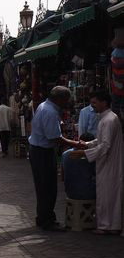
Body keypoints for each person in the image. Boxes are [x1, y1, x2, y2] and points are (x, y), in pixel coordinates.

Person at [69, 91, 124, 235]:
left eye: (94, 103)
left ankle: (107, 225)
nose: (92, 107)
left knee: (108, 194)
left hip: (109, 163)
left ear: (103, 103)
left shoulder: (109, 120)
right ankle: (111, 225)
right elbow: (100, 141)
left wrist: (84, 152)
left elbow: (105, 145)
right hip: (108, 163)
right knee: (109, 193)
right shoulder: (107, 119)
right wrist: (86, 145)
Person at [28, 86, 80, 231]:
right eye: (66, 99)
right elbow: (55, 138)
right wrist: (76, 144)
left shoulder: (45, 107)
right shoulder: (49, 111)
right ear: (59, 99)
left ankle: (44, 218)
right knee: (47, 187)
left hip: (39, 150)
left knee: (44, 186)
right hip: (42, 152)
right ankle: (46, 220)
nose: (67, 102)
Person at [61, 133, 96, 201]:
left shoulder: (65, 154)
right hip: (88, 193)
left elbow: (62, 178)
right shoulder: (90, 157)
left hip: (70, 193)